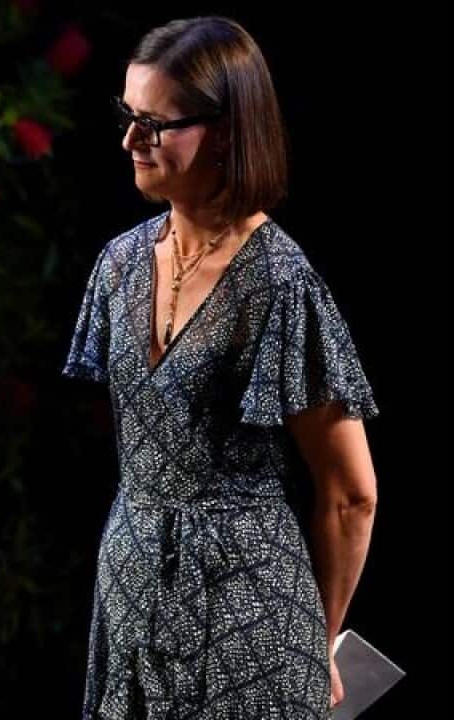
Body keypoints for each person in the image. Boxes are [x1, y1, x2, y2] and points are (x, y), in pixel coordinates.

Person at [64, 17, 379, 718]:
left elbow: (351, 494)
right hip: (131, 605)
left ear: (228, 130)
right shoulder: (119, 265)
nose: (130, 142)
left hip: (249, 620)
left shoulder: (279, 281)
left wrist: (314, 641)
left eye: (155, 123)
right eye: (127, 115)